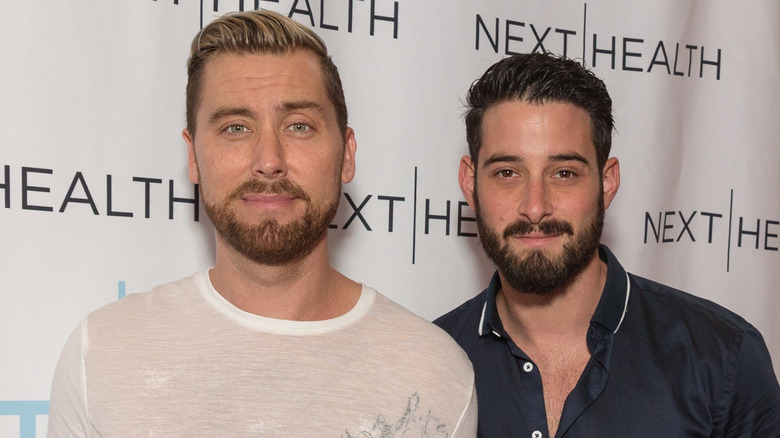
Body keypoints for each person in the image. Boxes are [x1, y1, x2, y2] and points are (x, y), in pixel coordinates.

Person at [47, 10, 477, 437]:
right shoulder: (102, 353)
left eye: (299, 126)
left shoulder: (436, 373)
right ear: (193, 156)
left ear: (346, 154)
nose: (269, 160)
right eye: (236, 127)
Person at [434, 52, 780, 437]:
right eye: (507, 173)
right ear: (470, 183)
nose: (535, 206)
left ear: (607, 182)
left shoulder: (721, 358)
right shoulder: (429, 363)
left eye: (564, 173)